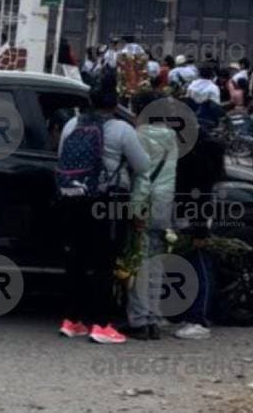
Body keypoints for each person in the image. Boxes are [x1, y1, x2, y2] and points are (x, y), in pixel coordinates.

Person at [58, 77, 151, 346]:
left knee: (75, 260)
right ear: (115, 103)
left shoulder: (72, 124)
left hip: (73, 198)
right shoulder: (121, 129)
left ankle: (71, 321)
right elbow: (143, 166)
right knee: (103, 263)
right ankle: (101, 324)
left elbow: (62, 156)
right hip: (107, 203)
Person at [124, 89, 179, 341]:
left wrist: (136, 209)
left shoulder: (139, 136)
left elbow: (143, 178)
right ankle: (154, 319)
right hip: (164, 206)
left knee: (138, 263)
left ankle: (139, 321)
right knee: (157, 265)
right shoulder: (171, 137)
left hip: (145, 204)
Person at [186, 66, 224, 131]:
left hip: (192, 118)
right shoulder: (213, 88)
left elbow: (187, 100)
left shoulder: (192, 85)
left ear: (199, 74)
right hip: (208, 119)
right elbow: (215, 106)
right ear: (211, 75)